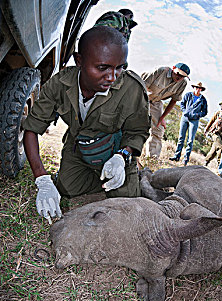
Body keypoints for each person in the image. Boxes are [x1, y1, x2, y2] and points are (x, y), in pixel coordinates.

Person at [23, 26, 150, 222]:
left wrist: (123, 157)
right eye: (102, 67)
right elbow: (31, 128)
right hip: (78, 147)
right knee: (66, 188)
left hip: (115, 151)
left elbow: (138, 131)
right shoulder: (59, 84)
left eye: (119, 67)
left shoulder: (132, 88)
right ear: (79, 60)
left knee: (127, 206)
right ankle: (96, 177)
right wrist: (42, 179)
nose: (112, 77)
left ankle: (129, 174)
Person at [141, 63, 190, 158]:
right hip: (142, 96)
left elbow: (174, 100)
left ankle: (152, 159)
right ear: (173, 68)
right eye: (178, 74)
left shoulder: (182, 83)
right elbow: (140, 86)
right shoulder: (160, 71)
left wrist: (162, 117)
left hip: (156, 102)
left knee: (159, 129)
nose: (179, 77)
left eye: (183, 76)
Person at [169, 82, 208, 166]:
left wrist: (197, 115)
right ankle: (177, 156)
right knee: (181, 138)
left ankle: (186, 159)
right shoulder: (188, 95)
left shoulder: (203, 99)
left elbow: (205, 112)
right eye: (196, 87)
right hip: (185, 118)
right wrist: (184, 111)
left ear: (201, 89)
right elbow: (182, 104)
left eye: (199, 88)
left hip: (194, 121)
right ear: (194, 88)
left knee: (190, 140)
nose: (198, 89)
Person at [204, 100, 222, 166]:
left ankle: (206, 161)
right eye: (221, 105)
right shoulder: (217, 113)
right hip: (214, 133)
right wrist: (206, 129)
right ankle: (220, 164)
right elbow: (211, 121)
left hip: (221, 134)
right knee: (220, 147)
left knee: (214, 150)